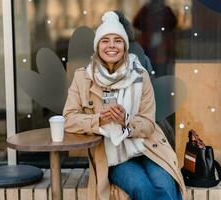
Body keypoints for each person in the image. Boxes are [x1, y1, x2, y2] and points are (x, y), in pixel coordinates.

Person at [63, 11, 186, 200]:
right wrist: (99, 119)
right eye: (105, 40)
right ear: (97, 46)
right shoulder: (83, 77)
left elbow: (148, 123)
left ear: (125, 46)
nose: (111, 45)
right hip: (112, 155)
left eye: (117, 40)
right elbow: (69, 119)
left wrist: (125, 121)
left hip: (149, 147)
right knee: (144, 190)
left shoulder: (140, 74)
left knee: (167, 188)